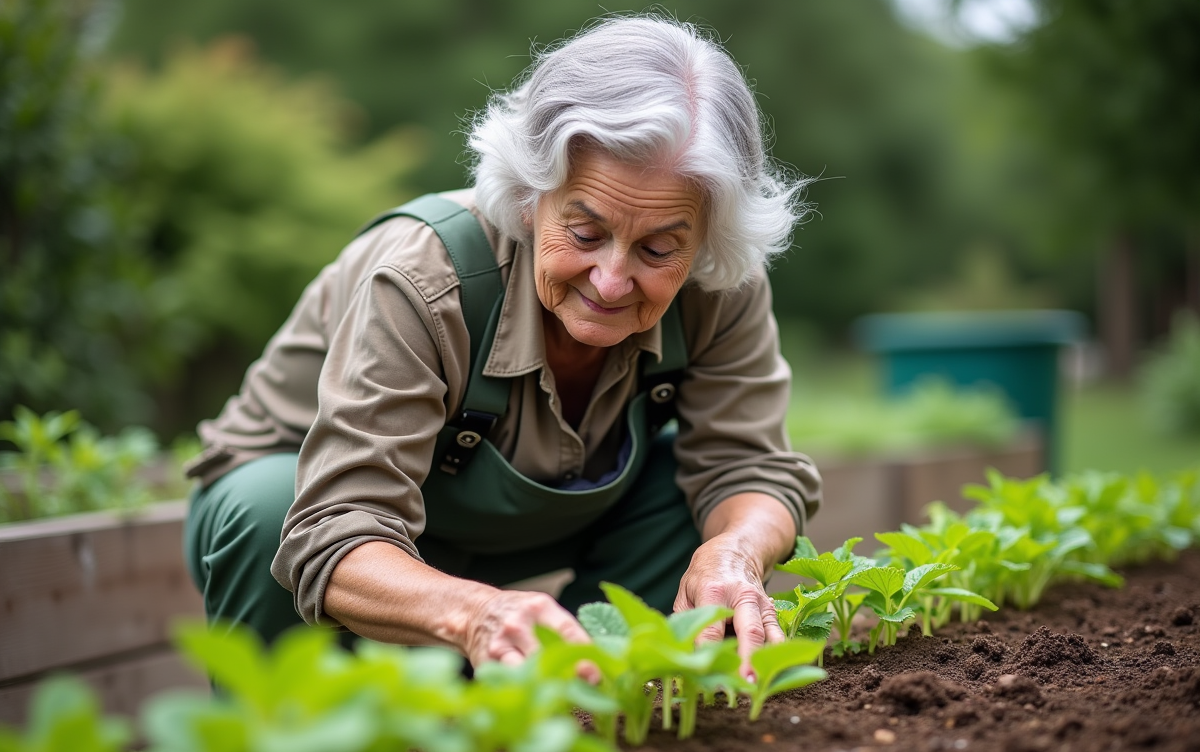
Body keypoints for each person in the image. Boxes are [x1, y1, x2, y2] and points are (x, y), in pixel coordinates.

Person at [182, 15, 822, 677]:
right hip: (322, 531)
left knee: (697, 512)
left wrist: (735, 553)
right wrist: (476, 614)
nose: (611, 279)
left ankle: (584, 719)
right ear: (527, 196)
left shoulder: (719, 285)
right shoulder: (425, 278)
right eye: (584, 232)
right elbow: (333, 527)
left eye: (659, 248)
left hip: (515, 532)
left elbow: (750, 468)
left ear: (709, 236)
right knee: (266, 509)